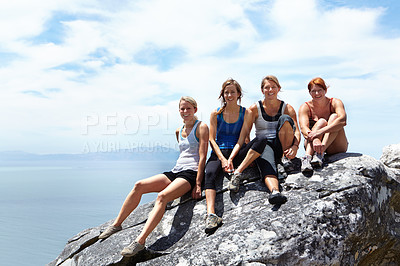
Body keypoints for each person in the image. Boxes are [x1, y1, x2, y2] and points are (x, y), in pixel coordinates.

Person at [98, 96, 209, 257]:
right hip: (176, 170)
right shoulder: (179, 131)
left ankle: (140, 242)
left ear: (195, 110)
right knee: (139, 185)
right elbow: (183, 153)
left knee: (162, 196)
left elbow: (202, 156)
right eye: (182, 109)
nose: (185, 112)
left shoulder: (202, 127)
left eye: (188, 108)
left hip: (191, 174)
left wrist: (198, 184)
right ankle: (116, 225)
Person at [204, 78, 269, 233]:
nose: (229, 95)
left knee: (262, 139)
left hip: (237, 151)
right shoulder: (216, 113)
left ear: (239, 94)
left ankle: (238, 172)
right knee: (210, 174)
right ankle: (211, 214)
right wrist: (222, 159)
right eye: (226, 92)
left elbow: (241, 139)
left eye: (233, 92)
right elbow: (211, 139)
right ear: (222, 95)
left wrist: (231, 159)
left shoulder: (245, 112)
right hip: (219, 152)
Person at [228, 75, 301, 205]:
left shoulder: (287, 108)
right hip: (264, 145)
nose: (270, 90)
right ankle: (275, 192)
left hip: (282, 145)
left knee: (285, 119)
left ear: (279, 88)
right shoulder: (254, 109)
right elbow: (245, 134)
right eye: (267, 87)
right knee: (267, 165)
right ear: (262, 90)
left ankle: (285, 159)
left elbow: (296, 131)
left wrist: (295, 146)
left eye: (273, 87)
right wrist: (251, 157)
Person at [298, 77, 348, 175]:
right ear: (309, 93)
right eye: (313, 91)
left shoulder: (335, 102)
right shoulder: (305, 107)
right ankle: (307, 158)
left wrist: (320, 132)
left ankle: (320, 154)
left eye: (319, 90)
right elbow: (303, 128)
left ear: (325, 90)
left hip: (335, 144)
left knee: (334, 117)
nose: (317, 94)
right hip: (313, 145)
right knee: (321, 121)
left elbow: (343, 120)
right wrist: (315, 138)